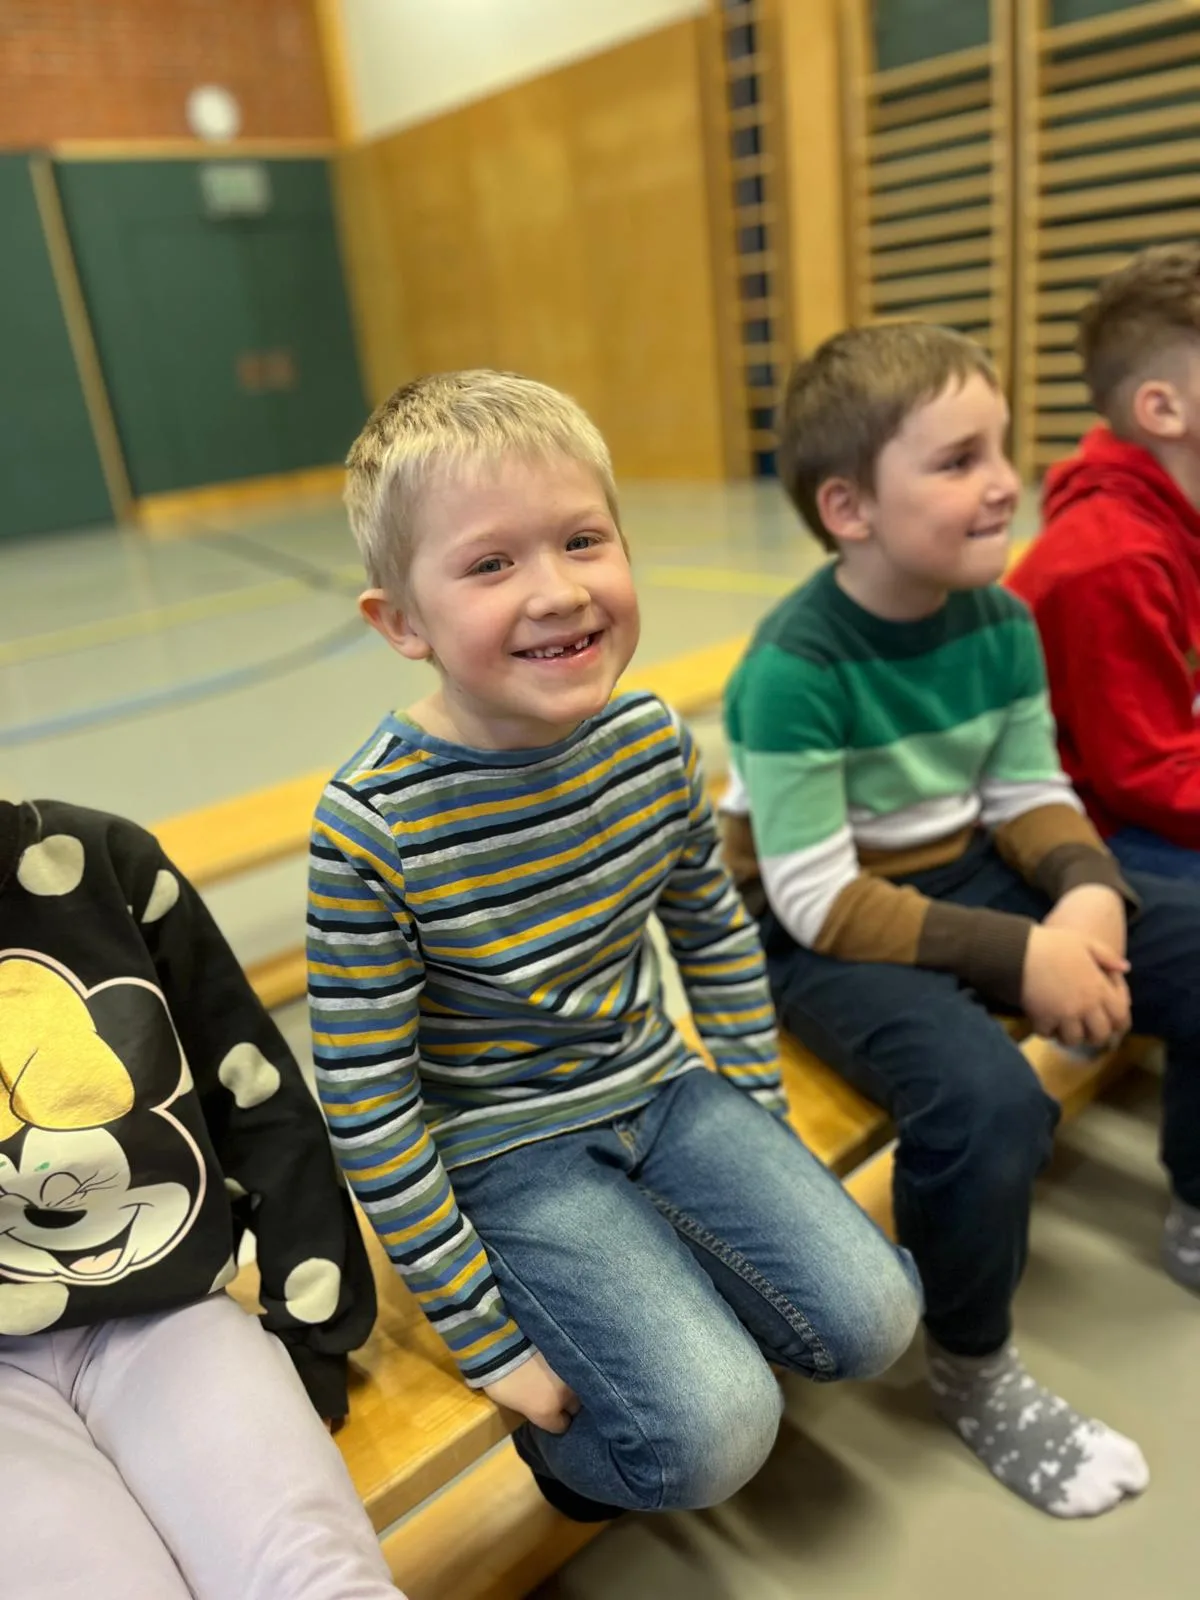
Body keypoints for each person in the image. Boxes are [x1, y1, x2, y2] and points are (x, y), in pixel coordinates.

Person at [307, 370, 921, 1523]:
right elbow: (367, 1102)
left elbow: (711, 928)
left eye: (583, 540)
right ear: (402, 623)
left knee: (879, 1316)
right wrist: (488, 1341)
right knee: (713, 1436)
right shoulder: (372, 825)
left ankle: (672, 1313)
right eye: (491, 564)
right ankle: (579, 1456)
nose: (558, 591)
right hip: (505, 1148)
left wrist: (754, 1110)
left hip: (661, 1088)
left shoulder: (650, 742)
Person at [723, 321, 1200, 1519]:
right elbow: (818, 897)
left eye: (1001, 446)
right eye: (957, 460)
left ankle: (1196, 1201)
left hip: (964, 872)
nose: (1003, 481)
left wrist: (1086, 889)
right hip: (822, 927)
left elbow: (1027, 791)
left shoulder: (996, 620)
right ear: (849, 508)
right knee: (989, 1102)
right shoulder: (794, 666)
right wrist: (1025, 953)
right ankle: (975, 1365)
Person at [0, 798, 396, 1599]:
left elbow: (255, 1093)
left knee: (315, 1574)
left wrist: (311, 1335)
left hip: (166, 1312)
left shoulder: (101, 862)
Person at [1010, 242, 1200, 882]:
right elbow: (1147, 781)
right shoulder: (1111, 560)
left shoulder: (1179, 516)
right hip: (1103, 825)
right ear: (1163, 410)